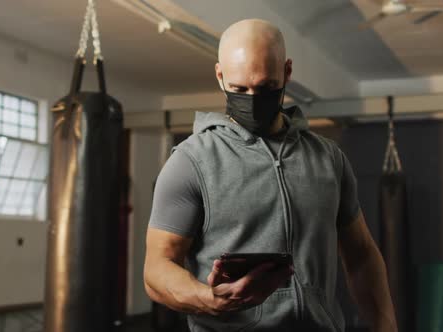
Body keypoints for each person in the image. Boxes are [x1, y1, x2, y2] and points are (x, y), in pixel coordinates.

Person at [144, 18, 397, 332]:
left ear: (287, 72)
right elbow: (156, 269)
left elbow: (361, 256)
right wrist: (209, 298)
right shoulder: (191, 161)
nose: (252, 98)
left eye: (265, 87)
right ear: (220, 76)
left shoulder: (328, 159)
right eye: (239, 89)